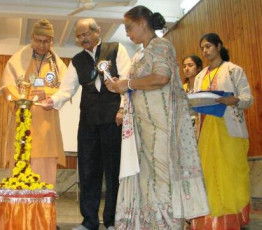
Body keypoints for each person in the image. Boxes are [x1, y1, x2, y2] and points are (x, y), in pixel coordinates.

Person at [105, 5, 209, 229]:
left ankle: (168, 224)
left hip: (161, 125)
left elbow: (161, 77)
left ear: (143, 23)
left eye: (129, 27)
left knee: (162, 176)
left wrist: (128, 84)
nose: (127, 33)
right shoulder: (142, 53)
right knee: (148, 178)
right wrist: (119, 86)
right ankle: (153, 222)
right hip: (145, 126)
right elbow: (137, 84)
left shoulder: (161, 45)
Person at [41, 18, 131, 230]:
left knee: (113, 172)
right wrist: (52, 101)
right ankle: (89, 222)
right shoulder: (77, 60)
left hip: (113, 120)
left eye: (86, 34)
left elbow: (127, 80)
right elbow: (67, 88)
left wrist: (122, 109)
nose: (83, 39)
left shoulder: (116, 49)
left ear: (97, 31)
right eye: (79, 36)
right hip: (88, 122)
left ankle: (112, 221)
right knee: (89, 171)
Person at [190, 33, 253, 229]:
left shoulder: (234, 71)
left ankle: (234, 218)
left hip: (230, 129)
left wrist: (232, 100)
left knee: (232, 173)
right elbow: (194, 103)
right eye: (202, 48)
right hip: (206, 130)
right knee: (208, 174)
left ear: (219, 46)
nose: (205, 51)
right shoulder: (200, 76)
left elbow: (248, 98)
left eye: (208, 46)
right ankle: (210, 220)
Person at [0, 19, 66, 187]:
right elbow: (7, 85)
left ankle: (42, 210)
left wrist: (47, 93)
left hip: (46, 127)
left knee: (44, 172)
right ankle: (19, 210)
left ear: (52, 41)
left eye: (46, 41)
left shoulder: (57, 65)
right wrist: (20, 101)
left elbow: (66, 90)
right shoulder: (18, 60)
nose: (42, 45)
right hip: (22, 124)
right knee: (20, 165)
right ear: (32, 38)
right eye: (38, 41)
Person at [182, 55, 203, 132]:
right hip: (185, 126)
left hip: (201, 125)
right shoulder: (181, 89)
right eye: (184, 66)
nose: (186, 69)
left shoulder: (203, 87)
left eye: (190, 65)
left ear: (199, 68)